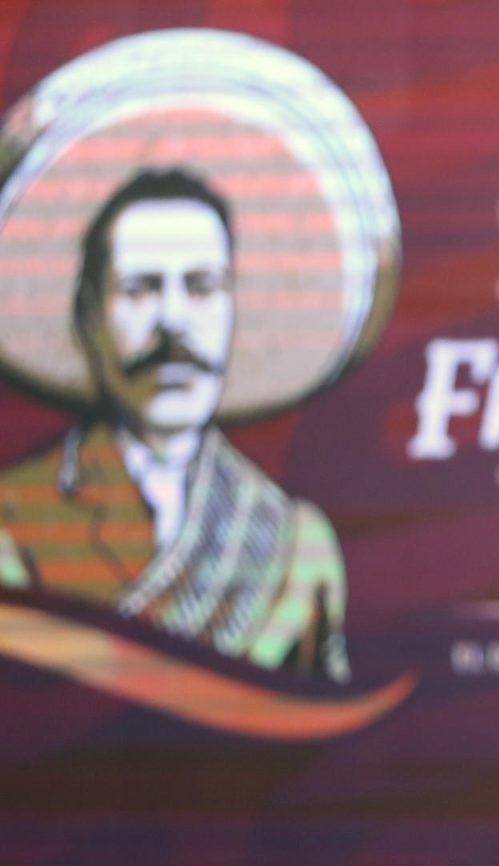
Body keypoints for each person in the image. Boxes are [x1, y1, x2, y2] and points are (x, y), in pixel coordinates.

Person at [0, 168, 349, 680]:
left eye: (202, 287)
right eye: (140, 290)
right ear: (88, 316)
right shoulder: (15, 522)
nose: (172, 320)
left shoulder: (294, 542)